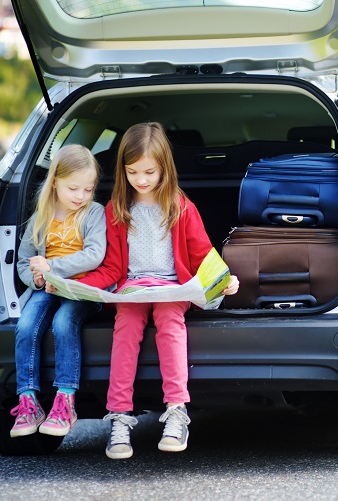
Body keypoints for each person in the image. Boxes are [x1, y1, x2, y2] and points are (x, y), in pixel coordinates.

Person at [77, 122, 239, 460]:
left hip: (172, 288)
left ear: (164, 167)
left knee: (169, 320)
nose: (142, 179)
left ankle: (177, 411)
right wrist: (79, 285)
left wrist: (224, 279)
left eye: (150, 171)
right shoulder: (116, 210)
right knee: (126, 326)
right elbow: (109, 268)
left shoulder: (181, 208)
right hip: (133, 289)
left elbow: (202, 256)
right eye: (133, 171)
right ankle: (119, 416)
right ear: (122, 170)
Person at [11, 144, 106, 439]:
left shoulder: (94, 213)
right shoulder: (42, 216)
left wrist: (52, 266)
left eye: (87, 190)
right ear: (55, 183)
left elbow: (95, 254)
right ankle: (28, 402)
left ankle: (65, 401)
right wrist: (38, 280)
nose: (80, 196)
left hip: (81, 288)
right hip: (47, 287)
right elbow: (25, 262)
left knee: (64, 323)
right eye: (73, 189)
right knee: (26, 326)